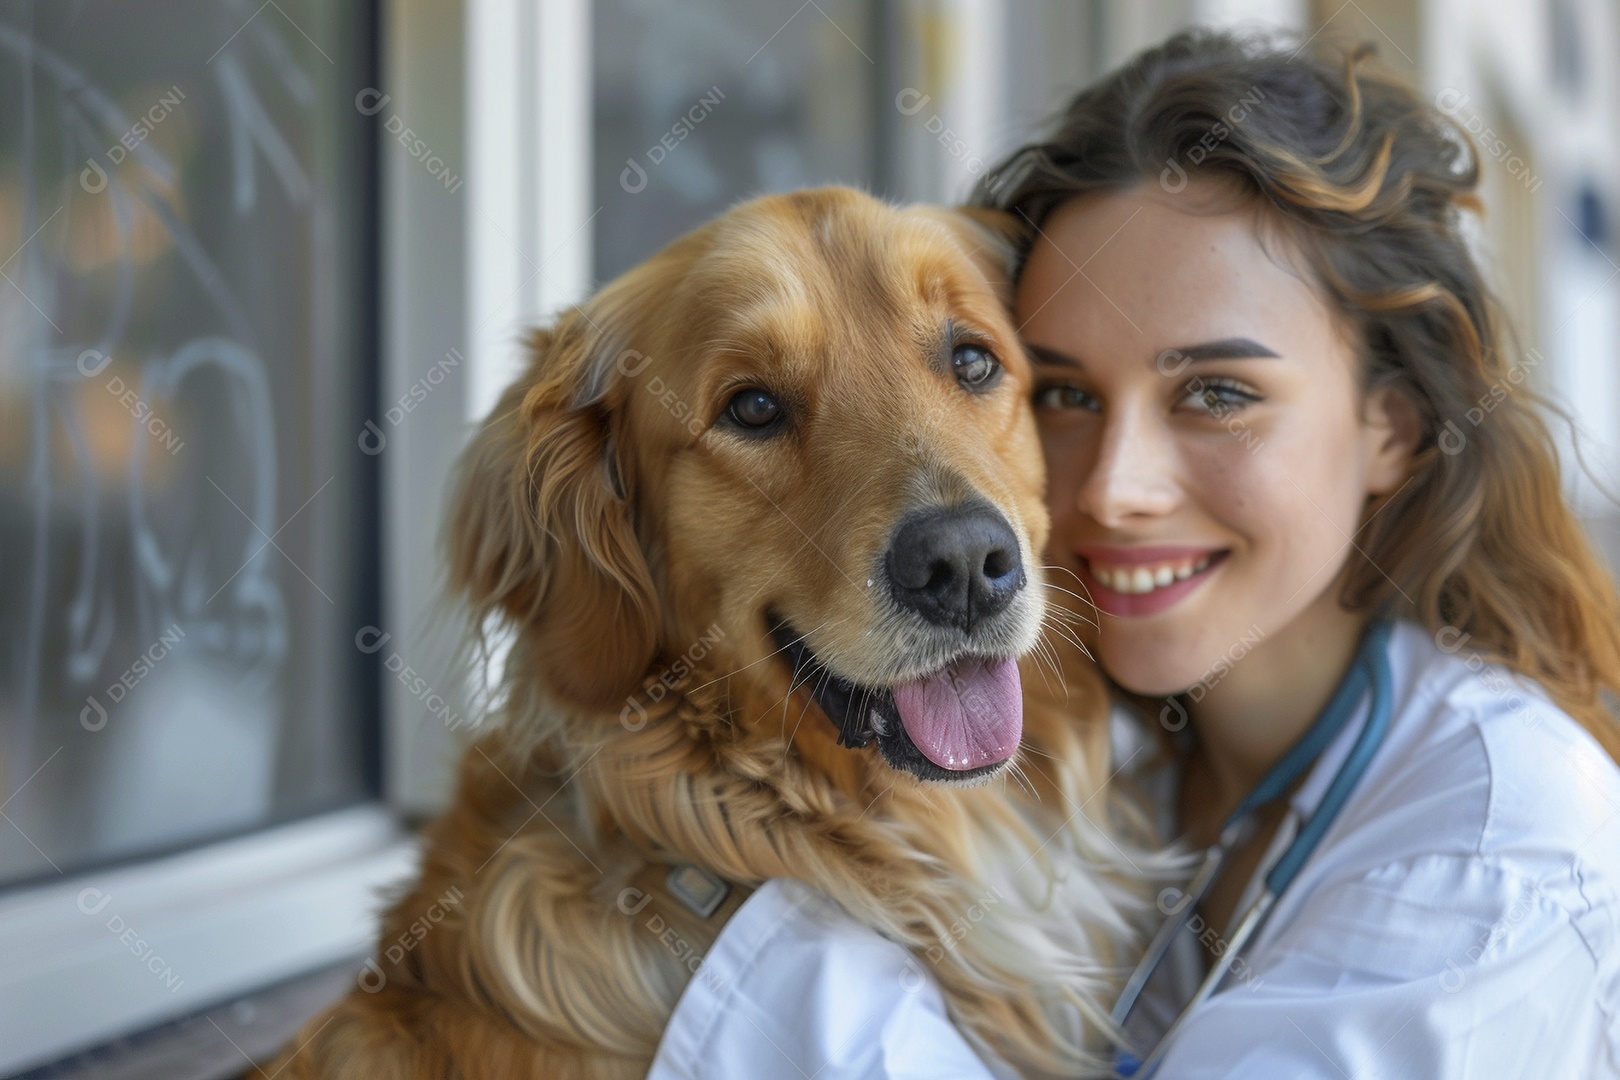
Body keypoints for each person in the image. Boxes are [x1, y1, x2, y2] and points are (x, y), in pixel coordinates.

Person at [651, 29, 1620, 1079]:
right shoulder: (1107, 762)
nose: (1115, 486)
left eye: (1216, 393)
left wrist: (720, 933)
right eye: (1063, 394)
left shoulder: (1493, 856)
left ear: (1391, 425)